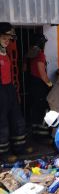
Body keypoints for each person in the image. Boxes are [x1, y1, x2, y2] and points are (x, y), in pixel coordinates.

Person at [0, 23, 27, 156]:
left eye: (8, 38)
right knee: (2, 123)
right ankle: (3, 154)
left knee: (17, 119)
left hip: (9, 89)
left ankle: (19, 149)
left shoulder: (5, 53)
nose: (7, 40)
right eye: (4, 37)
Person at [26, 32, 52, 137]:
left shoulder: (28, 53)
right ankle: (41, 135)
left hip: (31, 83)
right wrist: (50, 85)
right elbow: (42, 74)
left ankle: (34, 131)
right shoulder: (40, 54)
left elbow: (24, 68)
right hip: (39, 85)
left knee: (35, 107)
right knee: (42, 108)